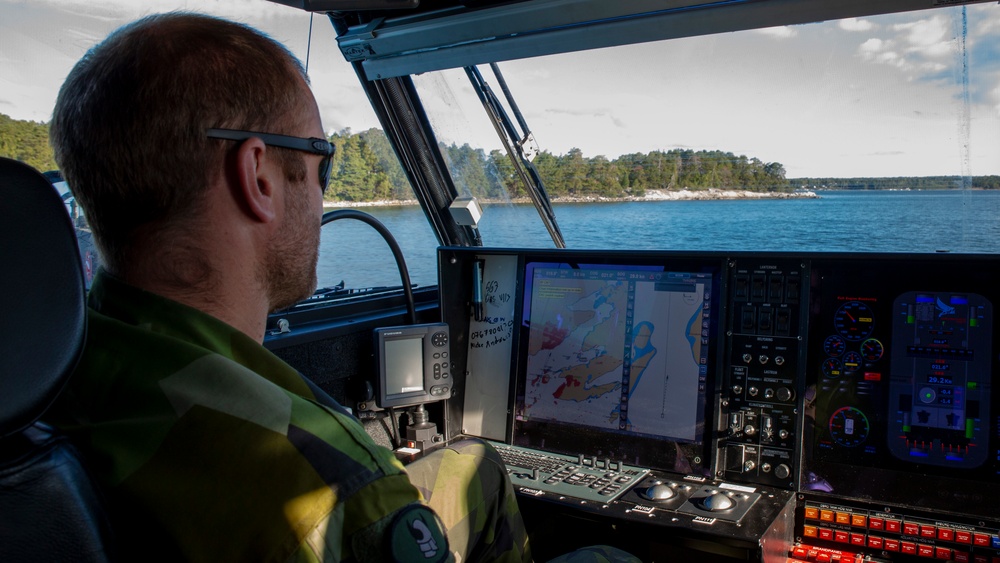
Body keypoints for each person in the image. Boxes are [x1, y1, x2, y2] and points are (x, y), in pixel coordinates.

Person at [44, 12, 530, 562]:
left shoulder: (47, 373)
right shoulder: (331, 484)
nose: (322, 194)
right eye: (321, 161)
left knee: (477, 467)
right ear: (258, 177)